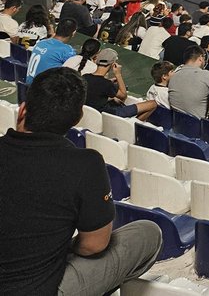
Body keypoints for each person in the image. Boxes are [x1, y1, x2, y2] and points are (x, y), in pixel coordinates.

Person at [0, 66, 163, 295]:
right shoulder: (85, 164)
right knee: (148, 233)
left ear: (23, 110)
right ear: (77, 119)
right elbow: (93, 245)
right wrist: (68, 246)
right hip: (37, 289)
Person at [85, 50, 158, 120]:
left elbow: (96, 88)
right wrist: (118, 74)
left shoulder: (85, 77)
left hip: (91, 113)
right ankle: (133, 124)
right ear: (113, 64)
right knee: (153, 104)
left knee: (116, 100)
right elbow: (123, 95)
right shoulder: (107, 84)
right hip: (108, 114)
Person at [169, 46, 209, 119]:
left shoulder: (174, 76)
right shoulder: (208, 76)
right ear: (200, 58)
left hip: (176, 121)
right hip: (199, 123)